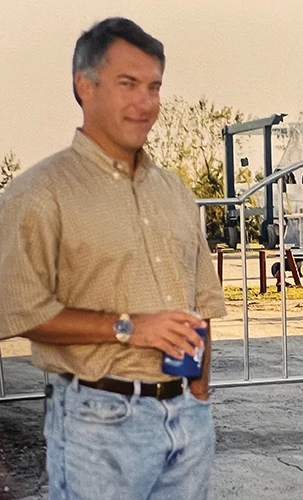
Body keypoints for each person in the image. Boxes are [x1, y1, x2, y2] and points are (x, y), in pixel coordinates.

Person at [0, 17, 226, 499]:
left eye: (154, 87)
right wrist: (127, 326)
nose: (146, 103)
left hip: (187, 419)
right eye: (129, 84)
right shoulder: (40, 193)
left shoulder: (175, 192)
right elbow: (17, 309)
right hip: (98, 421)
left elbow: (202, 301)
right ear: (85, 85)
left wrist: (201, 394)